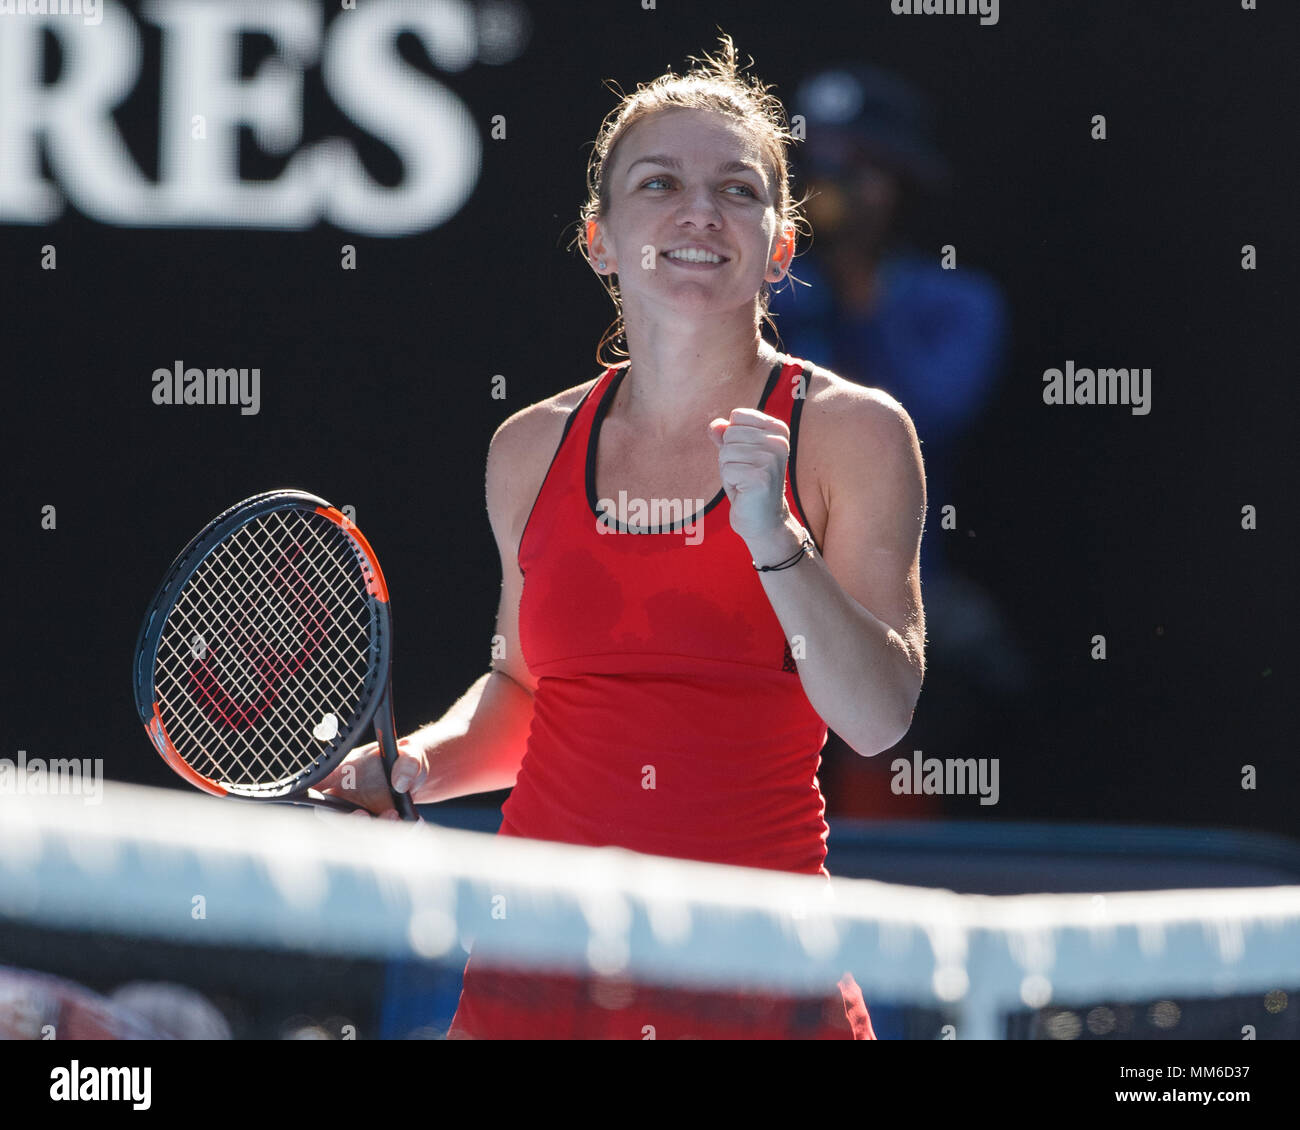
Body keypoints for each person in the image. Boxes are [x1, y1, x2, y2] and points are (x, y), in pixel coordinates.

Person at [320, 35, 926, 1040]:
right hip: (532, 974)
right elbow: (524, 692)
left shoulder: (855, 432)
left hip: (759, 972)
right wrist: (417, 760)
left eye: (737, 189)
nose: (699, 211)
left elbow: (877, 717)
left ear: (778, 244)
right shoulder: (528, 448)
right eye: (660, 184)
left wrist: (774, 537)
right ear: (600, 239)